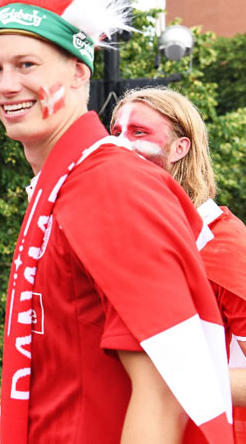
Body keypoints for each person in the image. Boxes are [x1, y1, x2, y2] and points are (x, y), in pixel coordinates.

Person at [0, 0, 232, 444]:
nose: (6, 86)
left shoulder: (109, 185)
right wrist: (15, 425)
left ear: (79, 72)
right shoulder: (66, 184)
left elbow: (165, 389)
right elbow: (80, 367)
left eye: (27, 64)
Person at [110, 87, 246, 435]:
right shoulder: (120, 242)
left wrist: (161, 386)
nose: (121, 144)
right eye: (116, 132)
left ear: (179, 148)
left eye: (139, 132)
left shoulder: (223, 244)